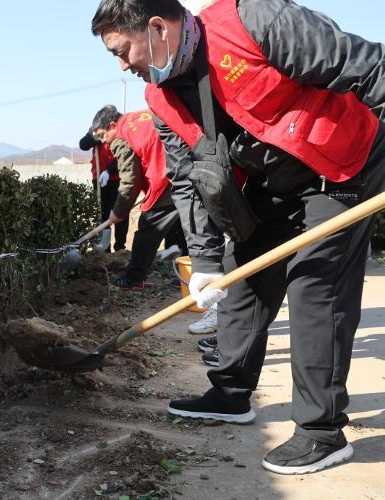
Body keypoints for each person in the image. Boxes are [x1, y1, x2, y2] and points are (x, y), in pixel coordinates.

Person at [92, 0, 385, 475]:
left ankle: (321, 432)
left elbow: (366, 65)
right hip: (271, 183)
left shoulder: (254, 20)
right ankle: (230, 393)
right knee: (244, 275)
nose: (124, 65)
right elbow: (190, 180)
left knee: (316, 283)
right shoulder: (161, 99)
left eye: (122, 51)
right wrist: (205, 261)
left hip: (342, 162)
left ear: (156, 27)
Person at [90, 105, 181, 291]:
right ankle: (186, 276)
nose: (104, 142)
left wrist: (118, 212)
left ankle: (133, 278)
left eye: (102, 135)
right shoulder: (136, 117)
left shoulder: (121, 137)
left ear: (112, 125)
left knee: (148, 228)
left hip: (167, 177)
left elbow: (130, 180)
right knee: (189, 225)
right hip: (182, 168)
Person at [79, 128, 129, 251]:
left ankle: (120, 247)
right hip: (99, 179)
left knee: (120, 212)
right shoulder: (95, 130)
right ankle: (105, 248)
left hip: (117, 179)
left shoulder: (119, 131)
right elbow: (83, 144)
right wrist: (96, 138)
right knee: (102, 214)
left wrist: (109, 171)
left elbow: (123, 158)